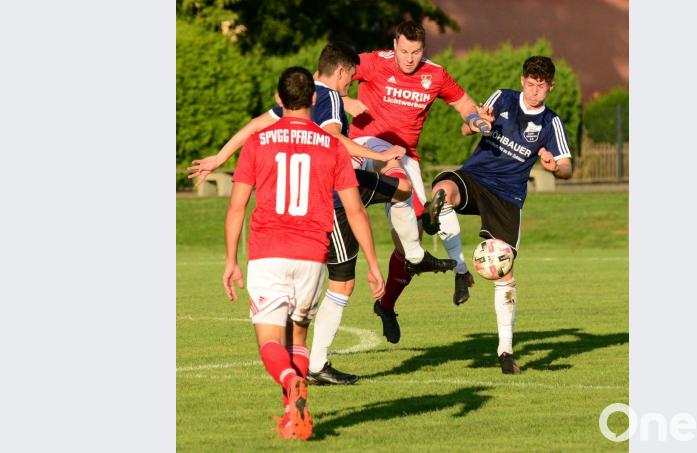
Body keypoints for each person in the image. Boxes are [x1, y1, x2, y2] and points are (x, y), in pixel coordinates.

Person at [191, 42, 455, 384]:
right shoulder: (328, 96)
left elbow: (255, 124)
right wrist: (379, 154)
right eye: (351, 77)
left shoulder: (298, 96)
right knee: (343, 283)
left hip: (336, 185)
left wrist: (219, 156)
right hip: (332, 194)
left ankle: (415, 255)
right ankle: (316, 364)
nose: (350, 84)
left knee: (402, 189)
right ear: (342, 72)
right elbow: (333, 139)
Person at [222, 66, 385, 439]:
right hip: (312, 255)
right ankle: (293, 415)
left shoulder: (258, 142)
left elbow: (236, 207)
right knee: (297, 339)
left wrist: (231, 260)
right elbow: (355, 210)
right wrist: (374, 264)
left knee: (270, 341)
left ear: (278, 100)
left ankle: (289, 381)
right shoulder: (332, 145)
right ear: (314, 98)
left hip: (268, 252)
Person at [343, 20, 491, 344]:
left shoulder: (434, 74)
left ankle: (386, 306)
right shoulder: (373, 62)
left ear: (424, 49)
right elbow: (328, 78)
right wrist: (345, 100)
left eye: (416, 52)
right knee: (351, 198)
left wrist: (475, 119)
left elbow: (463, 103)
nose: (409, 58)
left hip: (405, 157)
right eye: (404, 51)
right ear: (394, 45)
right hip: (364, 146)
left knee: (409, 242)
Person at [424, 56, 573, 374]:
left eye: (541, 86)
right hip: (476, 177)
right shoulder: (502, 98)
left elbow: (567, 167)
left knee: (503, 272)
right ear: (522, 81)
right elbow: (466, 128)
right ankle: (460, 271)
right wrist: (478, 123)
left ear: (550, 87)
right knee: (442, 191)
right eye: (530, 84)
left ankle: (505, 352)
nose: (534, 91)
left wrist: (554, 167)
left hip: (507, 196)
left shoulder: (551, 123)